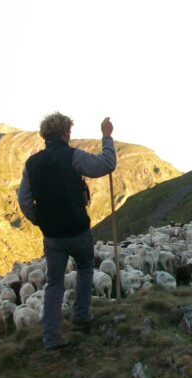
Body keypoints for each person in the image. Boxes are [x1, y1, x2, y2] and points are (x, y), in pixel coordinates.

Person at [17, 112, 116, 350]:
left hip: (52, 236)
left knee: (54, 283)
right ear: (64, 133)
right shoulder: (73, 156)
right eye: (68, 132)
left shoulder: (32, 164)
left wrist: (40, 221)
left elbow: (24, 200)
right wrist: (106, 136)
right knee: (84, 269)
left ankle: (51, 336)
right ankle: (80, 315)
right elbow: (106, 164)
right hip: (78, 230)